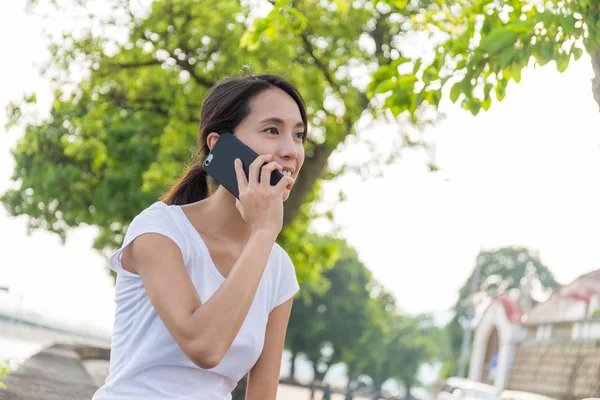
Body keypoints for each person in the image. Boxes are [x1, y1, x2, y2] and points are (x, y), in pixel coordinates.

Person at [92, 74, 308, 400]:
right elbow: (204, 346)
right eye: (272, 130)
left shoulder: (278, 269)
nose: (291, 150)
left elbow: (262, 393)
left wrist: (263, 237)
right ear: (220, 145)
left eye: (299, 135)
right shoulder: (159, 231)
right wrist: (263, 233)